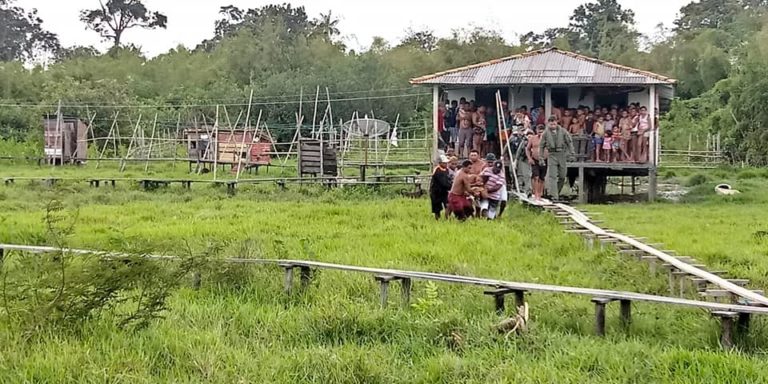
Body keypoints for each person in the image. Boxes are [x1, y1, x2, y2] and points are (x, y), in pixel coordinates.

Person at [539, 115, 574, 201]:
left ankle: (556, 192)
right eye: (551, 123)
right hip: (552, 154)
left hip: (561, 154)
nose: (553, 125)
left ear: (556, 122)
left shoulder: (563, 131)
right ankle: (554, 196)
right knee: (552, 176)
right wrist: (541, 157)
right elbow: (541, 146)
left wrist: (572, 153)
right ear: (548, 124)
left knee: (562, 176)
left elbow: (569, 142)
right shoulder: (545, 134)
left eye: (554, 123)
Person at [526, 124, 547, 201]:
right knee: (536, 176)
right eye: (538, 131)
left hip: (544, 160)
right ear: (536, 131)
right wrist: (529, 158)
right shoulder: (533, 139)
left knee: (542, 178)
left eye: (542, 131)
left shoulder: (547, 139)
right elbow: (527, 149)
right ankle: (536, 194)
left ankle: (540, 194)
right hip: (535, 160)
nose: (540, 133)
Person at [429, 155, 452, 220]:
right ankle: (437, 220)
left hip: (444, 191)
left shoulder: (447, 170)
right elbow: (443, 182)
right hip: (436, 192)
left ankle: (447, 218)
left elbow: (447, 180)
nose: (446, 164)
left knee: (447, 205)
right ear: (440, 163)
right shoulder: (437, 171)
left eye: (446, 163)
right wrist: (451, 186)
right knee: (437, 208)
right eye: (444, 163)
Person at [515, 130, 533, 196]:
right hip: (524, 160)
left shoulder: (536, 141)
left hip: (534, 160)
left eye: (531, 136)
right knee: (526, 175)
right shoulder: (524, 142)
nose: (530, 137)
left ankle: (532, 190)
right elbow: (519, 151)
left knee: (533, 176)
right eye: (529, 136)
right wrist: (516, 161)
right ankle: (528, 190)